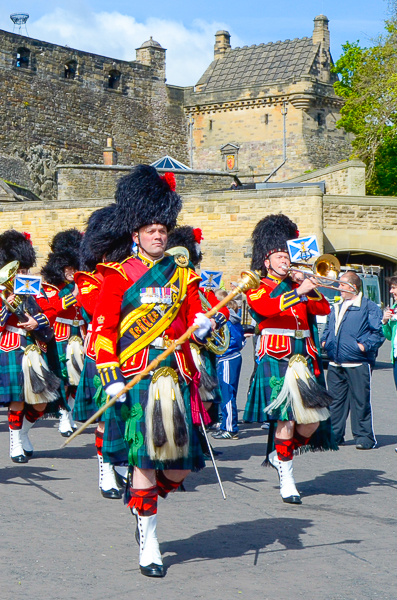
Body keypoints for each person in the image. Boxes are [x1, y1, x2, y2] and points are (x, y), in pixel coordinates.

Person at [92, 165, 212, 578]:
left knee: (177, 468)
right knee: (144, 461)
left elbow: (198, 320)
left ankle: (141, 503)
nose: (158, 236)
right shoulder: (116, 276)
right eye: (150, 230)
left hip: (174, 378)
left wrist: (204, 326)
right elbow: (104, 331)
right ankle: (150, 539)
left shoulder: (185, 277)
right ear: (136, 234)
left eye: (163, 229)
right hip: (138, 377)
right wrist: (112, 380)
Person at [245, 214, 334, 505]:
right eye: (279, 256)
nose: (285, 261)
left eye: (287, 256)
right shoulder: (258, 286)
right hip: (275, 354)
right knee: (285, 420)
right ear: (267, 261)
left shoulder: (298, 284)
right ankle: (288, 479)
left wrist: (311, 283)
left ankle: (279, 455)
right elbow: (266, 308)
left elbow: (322, 310)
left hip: (303, 355)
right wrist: (298, 291)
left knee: (311, 422)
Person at [0, 230, 64, 463]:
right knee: (17, 397)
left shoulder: (35, 287)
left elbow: (50, 310)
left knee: (41, 402)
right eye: (18, 270)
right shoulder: (1, 291)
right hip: (12, 344)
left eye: (24, 269)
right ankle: (15, 441)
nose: (22, 274)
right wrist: (6, 306)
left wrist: (38, 321)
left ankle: (24, 431)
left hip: (35, 345)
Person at [322, 270, 384, 450]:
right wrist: (325, 341)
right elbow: (328, 327)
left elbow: (378, 333)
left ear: (352, 287)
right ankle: (335, 435)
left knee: (360, 401)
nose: (338, 288)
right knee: (334, 401)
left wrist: (363, 346)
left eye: (341, 284)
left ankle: (364, 437)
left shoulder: (369, 306)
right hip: (336, 362)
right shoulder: (337, 305)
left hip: (357, 362)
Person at [41, 229, 85, 437]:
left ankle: (69, 409)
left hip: (79, 331)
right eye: (66, 267)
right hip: (61, 332)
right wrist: (72, 294)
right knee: (63, 377)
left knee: (78, 376)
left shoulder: (83, 281)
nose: (70, 270)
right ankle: (63, 415)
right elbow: (52, 308)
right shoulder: (51, 286)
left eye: (72, 266)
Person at [212, 298, 245, 440]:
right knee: (225, 394)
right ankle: (226, 424)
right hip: (229, 357)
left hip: (228, 357)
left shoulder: (228, 321)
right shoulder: (233, 320)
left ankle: (231, 429)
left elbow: (231, 342)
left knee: (228, 395)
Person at [381, 275, 397, 391]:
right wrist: (385, 322)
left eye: (393, 288)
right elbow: (389, 336)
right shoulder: (394, 308)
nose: (391, 291)